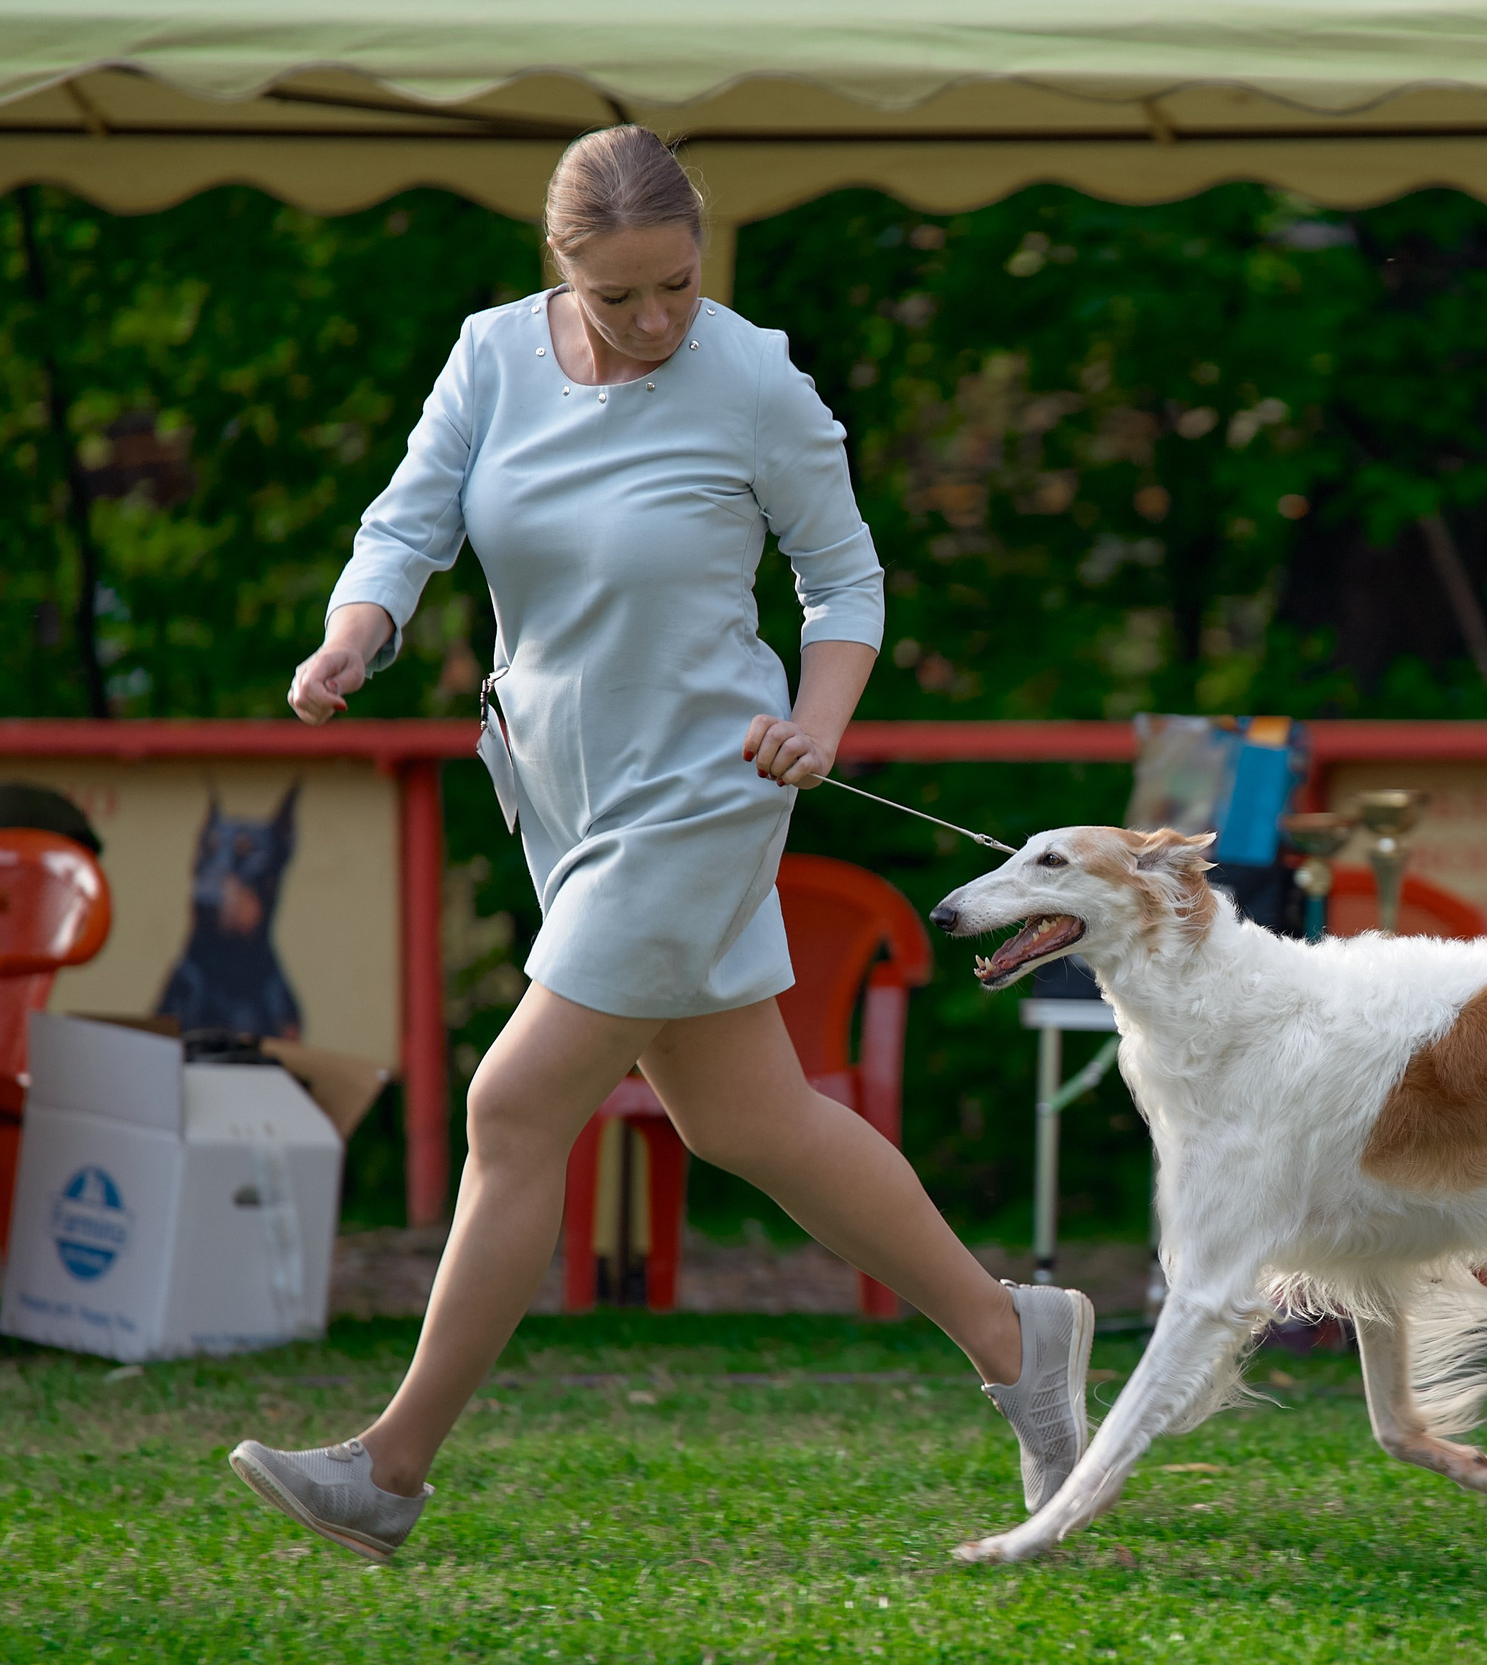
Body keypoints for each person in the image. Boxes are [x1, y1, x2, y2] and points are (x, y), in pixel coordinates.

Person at [227, 126, 1092, 1562]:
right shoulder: (491, 354)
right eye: (618, 297)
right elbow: (406, 525)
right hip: (564, 799)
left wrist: (818, 721)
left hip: (703, 793)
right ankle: (1020, 1337)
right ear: (560, 267)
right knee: (744, 1121)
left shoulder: (751, 373)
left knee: (513, 1111)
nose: (651, 326)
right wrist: (352, 633)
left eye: (676, 288)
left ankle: (388, 1469)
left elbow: (846, 582)